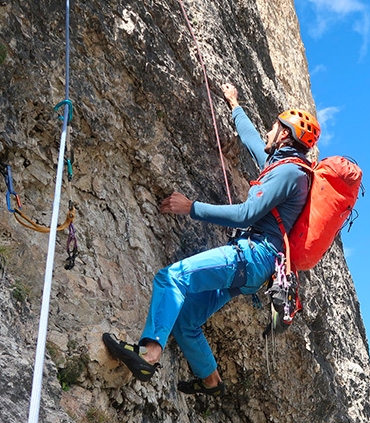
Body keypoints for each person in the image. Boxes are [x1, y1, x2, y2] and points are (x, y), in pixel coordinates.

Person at [103, 83, 320, 396]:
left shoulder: (289, 174)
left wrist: (191, 208)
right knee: (185, 320)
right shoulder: (285, 166)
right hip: (255, 270)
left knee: (171, 279)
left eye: (274, 127)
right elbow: (252, 142)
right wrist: (234, 104)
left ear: (285, 134)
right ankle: (211, 381)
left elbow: (247, 214)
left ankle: (149, 354)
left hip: (252, 256)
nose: (269, 131)